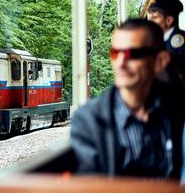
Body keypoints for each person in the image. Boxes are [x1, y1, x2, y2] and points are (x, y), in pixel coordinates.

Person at [70, 19, 184, 178]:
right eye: (115, 53)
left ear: (160, 62)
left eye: (133, 54)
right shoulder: (89, 120)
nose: (121, 63)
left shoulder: (177, 107)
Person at [147, 0, 185, 80]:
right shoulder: (157, 40)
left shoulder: (179, 41)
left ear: (169, 20)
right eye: (150, 18)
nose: (150, 22)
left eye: (155, 17)